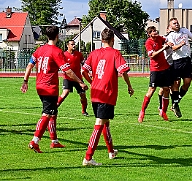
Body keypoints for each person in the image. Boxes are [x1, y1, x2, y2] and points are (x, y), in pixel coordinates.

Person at [20, 25, 88, 153]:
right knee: (46, 114)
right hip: (49, 87)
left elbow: (29, 65)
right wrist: (80, 82)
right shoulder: (56, 51)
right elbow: (67, 71)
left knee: (53, 113)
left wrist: (25, 81)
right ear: (58, 36)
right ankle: (35, 141)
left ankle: (54, 141)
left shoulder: (39, 50)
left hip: (39, 85)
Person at [81, 28, 134, 166]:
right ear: (113, 40)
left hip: (95, 92)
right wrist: (129, 85)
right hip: (107, 93)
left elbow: (83, 71)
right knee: (99, 123)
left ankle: (111, 151)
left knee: (105, 122)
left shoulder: (94, 53)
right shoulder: (115, 53)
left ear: (101, 40)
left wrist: (92, 82)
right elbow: (123, 71)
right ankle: (88, 157)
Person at [138, 26, 172, 123]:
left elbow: (166, 40)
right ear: (149, 34)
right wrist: (163, 48)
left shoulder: (160, 38)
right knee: (151, 90)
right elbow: (152, 55)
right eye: (153, 31)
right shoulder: (148, 42)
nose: (155, 32)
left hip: (165, 68)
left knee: (166, 89)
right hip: (155, 69)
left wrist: (168, 43)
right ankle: (142, 111)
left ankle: (163, 111)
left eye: (155, 30)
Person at [166, 18, 192, 118]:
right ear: (170, 26)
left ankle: (176, 101)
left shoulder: (185, 30)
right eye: (174, 23)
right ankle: (175, 104)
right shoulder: (170, 36)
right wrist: (181, 44)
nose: (177, 24)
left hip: (187, 60)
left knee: (187, 82)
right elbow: (173, 48)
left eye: (177, 22)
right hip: (177, 61)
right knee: (176, 84)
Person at [57, 40, 89, 116]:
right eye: (72, 44)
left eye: (74, 44)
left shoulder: (79, 54)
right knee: (65, 93)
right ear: (68, 46)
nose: (74, 46)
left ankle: (84, 111)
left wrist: (89, 72)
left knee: (83, 95)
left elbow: (84, 64)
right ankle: (54, 108)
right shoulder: (64, 55)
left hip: (78, 78)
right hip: (67, 78)